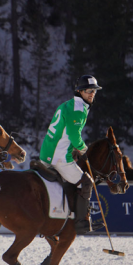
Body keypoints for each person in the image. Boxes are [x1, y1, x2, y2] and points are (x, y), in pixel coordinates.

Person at [38, 75, 101, 234]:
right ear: (79, 91)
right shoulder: (79, 110)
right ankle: (81, 223)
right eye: (88, 91)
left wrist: (74, 148)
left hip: (46, 152)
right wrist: (83, 150)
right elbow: (74, 136)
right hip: (58, 158)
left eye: (94, 91)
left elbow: (65, 133)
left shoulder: (67, 104)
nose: (92, 94)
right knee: (86, 182)